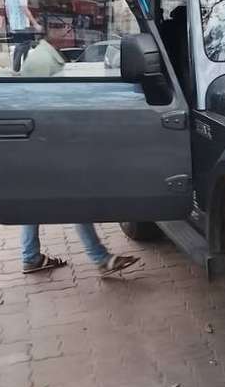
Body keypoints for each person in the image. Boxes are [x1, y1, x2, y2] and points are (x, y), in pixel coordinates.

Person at [18, 17, 139, 278]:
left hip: (41, 143)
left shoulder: (48, 56)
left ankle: (31, 257)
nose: (71, 31)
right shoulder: (42, 61)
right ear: (52, 31)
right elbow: (39, 106)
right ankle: (100, 257)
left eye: (71, 26)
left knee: (34, 199)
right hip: (46, 143)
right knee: (73, 198)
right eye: (66, 27)